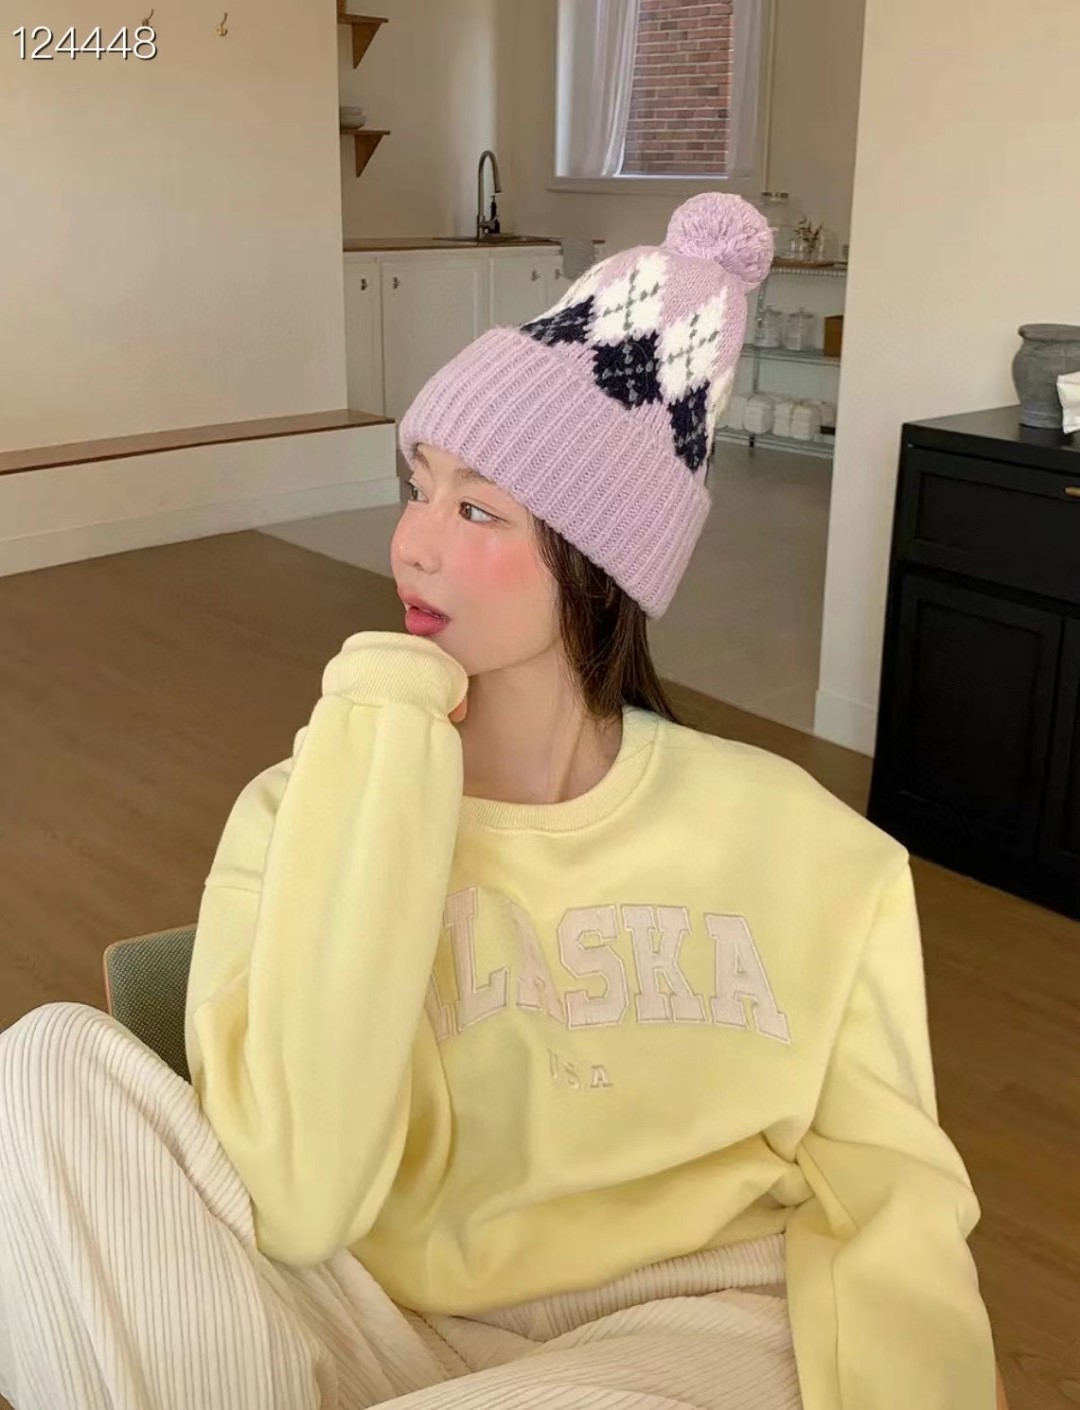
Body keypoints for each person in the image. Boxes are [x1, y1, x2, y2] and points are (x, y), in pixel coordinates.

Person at [0, 195, 1005, 1410]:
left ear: (601, 565)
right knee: (41, 1067)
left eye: (478, 509)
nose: (412, 547)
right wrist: (381, 729)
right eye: (417, 487)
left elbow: (896, 1193)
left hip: (695, 1326)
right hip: (379, 1314)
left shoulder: (809, 849)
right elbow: (300, 1198)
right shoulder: (303, 806)